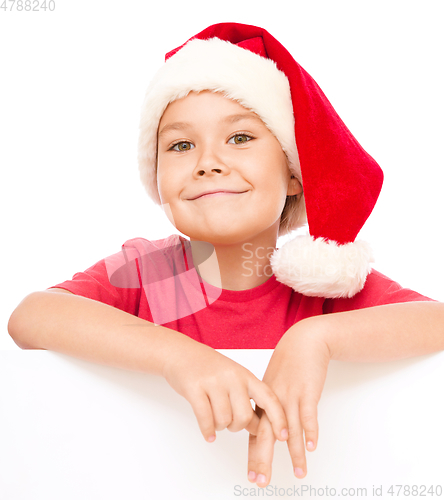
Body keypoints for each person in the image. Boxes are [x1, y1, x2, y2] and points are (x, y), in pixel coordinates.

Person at [7, 22, 444, 488]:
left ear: (294, 173)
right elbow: (31, 317)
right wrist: (180, 357)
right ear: (157, 177)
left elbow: (434, 322)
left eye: (240, 138)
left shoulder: (323, 289)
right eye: (180, 145)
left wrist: (316, 338)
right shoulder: (154, 276)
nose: (207, 162)